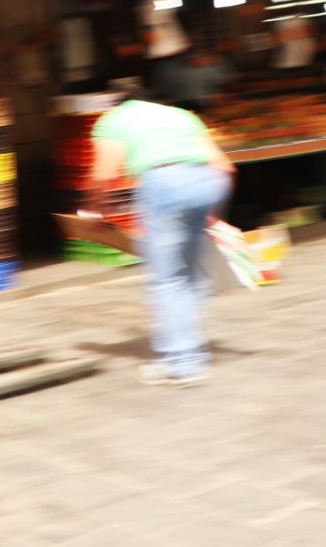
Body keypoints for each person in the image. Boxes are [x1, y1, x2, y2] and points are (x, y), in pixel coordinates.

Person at [84, 80, 236, 387]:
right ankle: (187, 354)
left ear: (116, 103)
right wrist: (212, 214)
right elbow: (225, 166)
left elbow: (103, 173)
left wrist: (93, 212)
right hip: (207, 182)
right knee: (190, 276)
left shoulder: (113, 119)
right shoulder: (181, 115)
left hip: (164, 183)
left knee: (168, 279)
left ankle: (182, 364)